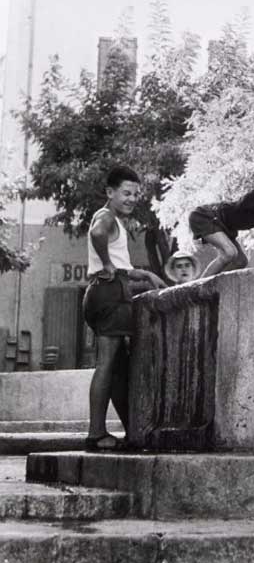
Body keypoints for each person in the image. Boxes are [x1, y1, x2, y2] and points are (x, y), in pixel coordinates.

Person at [83, 165, 166, 451]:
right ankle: (96, 434)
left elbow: (120, 265)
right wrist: (107, 263)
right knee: (107, 365)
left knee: (117, 367)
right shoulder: (106, 217)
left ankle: (130, 430)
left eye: (135, 194)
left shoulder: (113, 218)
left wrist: (144, 275)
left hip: (103, 292)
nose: (131, 199)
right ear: (110, 192)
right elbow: (97, 234)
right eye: (125, 193)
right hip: (109, 294)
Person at [188, 167, 254, 277]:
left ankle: (216, 283)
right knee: (229, 253)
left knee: (240, 261)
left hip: (225, 226)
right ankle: (199, 287)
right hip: (206, 215)